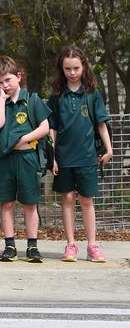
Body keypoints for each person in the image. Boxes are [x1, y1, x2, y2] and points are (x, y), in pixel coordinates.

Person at [48, 46, 112, 263]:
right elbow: (52, 127)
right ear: (62, 69)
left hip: (87, 156)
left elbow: (101, 124)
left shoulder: (92, 94)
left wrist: (109, 149)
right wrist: (52, 156)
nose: (72, 72)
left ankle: (92, 245)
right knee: (67, 198)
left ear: (84, 66)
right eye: (68, 69)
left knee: (86, 200)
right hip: (64, 157)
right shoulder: (56, 96)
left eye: (76, 68)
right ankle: (71, 245)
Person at [0, 56, 50, 263]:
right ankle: (9, 245)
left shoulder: (32, 100)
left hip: (27, 158)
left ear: (18, 76)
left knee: (29, 203)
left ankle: (32, 246)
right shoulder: (0, 102)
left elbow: (44, 128)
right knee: (6, 203)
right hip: (6, 159)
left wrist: (24, 138)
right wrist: (0, 99)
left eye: (7, 80)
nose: (4, 85)